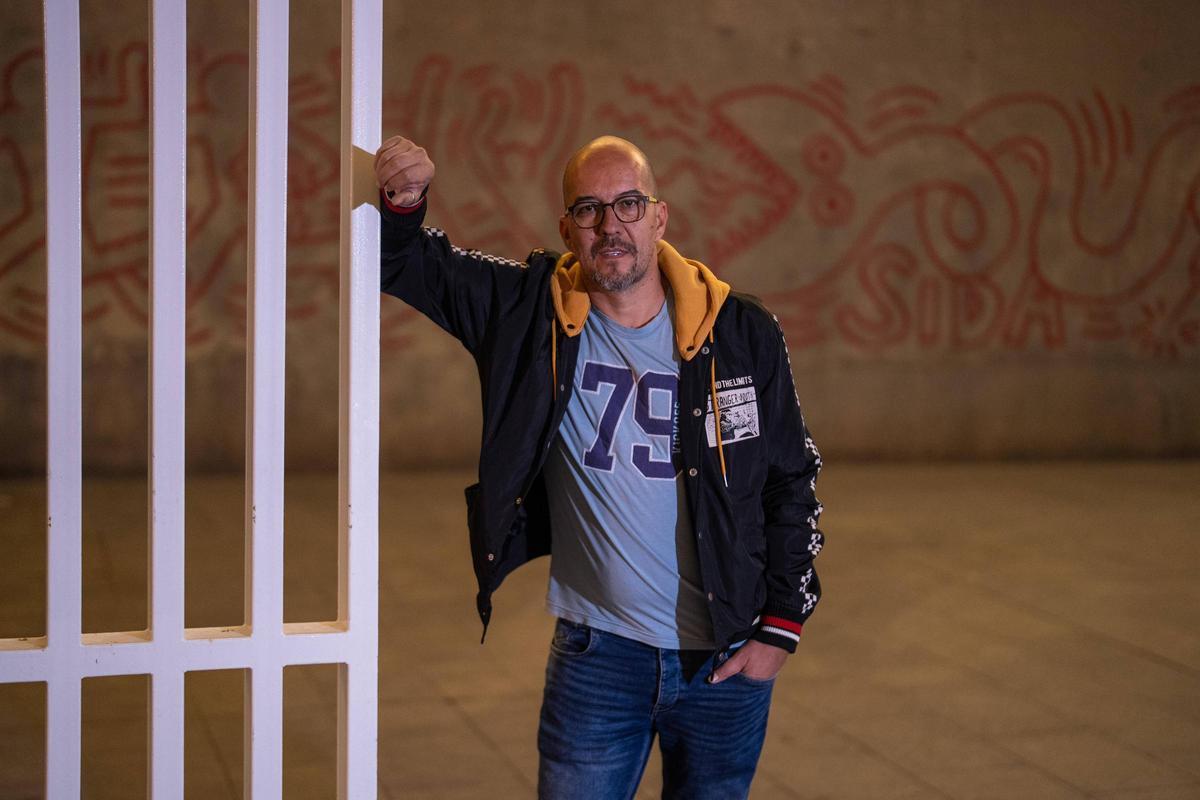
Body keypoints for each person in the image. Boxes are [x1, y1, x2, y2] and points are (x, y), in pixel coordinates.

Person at [375, 134, 824, 800]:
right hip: (599, 659)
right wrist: (403, 201)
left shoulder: (740, 331)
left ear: (660, 217)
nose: (610, 225)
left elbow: (792, 478)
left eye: (629, 205)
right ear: (566, 227)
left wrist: (781, 628)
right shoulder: (531, 313)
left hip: (728, 657)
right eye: (588, 209)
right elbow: (407, 263)